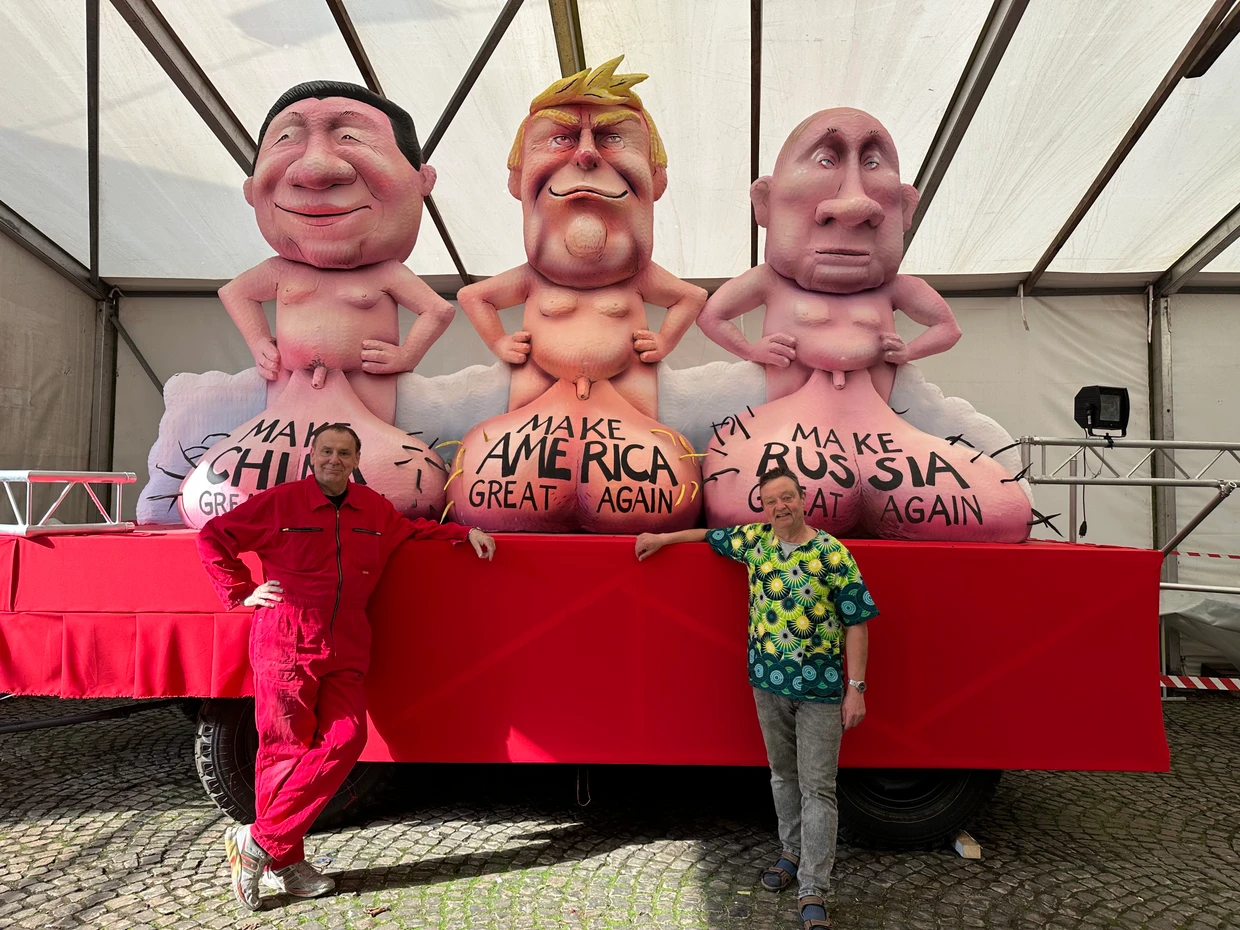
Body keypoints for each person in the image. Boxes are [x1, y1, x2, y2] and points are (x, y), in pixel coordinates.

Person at [197, 423, 497, 909]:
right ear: (311, 455)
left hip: (348, 642)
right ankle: (285, 862)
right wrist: (240, 592)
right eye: (326, 451)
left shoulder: (372, 508)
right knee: (284, 751)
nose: (334, 459)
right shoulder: (281, 502)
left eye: (344, 453)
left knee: (346, 738)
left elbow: (415, 529)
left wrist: (466, 533)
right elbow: (215, 537)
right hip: (287, 637)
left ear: (356, 460)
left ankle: (259, 843)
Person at [635, 464, 877, 930]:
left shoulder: (832, 553)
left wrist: (856, 689)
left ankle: (813, 886)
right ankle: (789, 853)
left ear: (802, 498)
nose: (779, 507)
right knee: (783, 777)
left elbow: (857, 623)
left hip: (821, 692)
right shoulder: (756, 541)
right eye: (769, 502)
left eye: (786, 498)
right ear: (763, 508)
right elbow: (708, 536)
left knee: (818, 789)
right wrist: (663, 539)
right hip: (767, 684)